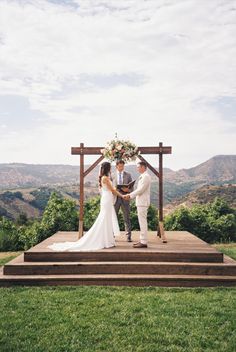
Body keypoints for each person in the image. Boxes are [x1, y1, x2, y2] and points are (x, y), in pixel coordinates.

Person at [47, 162, 125, 251]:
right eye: (110, 167)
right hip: (107, 199)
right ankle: (106, 240)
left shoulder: (104, 178)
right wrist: (123, 196)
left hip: (107, 198)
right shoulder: (105, 178)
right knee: (105, 219)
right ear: (107, 168)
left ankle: (107, 240)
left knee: (106, 219)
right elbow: (113, 190)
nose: (111, 169)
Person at [124, 161, 151, 248]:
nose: (137, 168)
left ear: (143, 167)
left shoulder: (146, 177)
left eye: (138, 167)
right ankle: (142, 240)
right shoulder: (143, 176)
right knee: (141, 221)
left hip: (143, 202)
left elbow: (141, 190)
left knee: (142, 222)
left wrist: (129, 195)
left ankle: (143, 242)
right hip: (141, 202)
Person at [112, 160, 133, 242]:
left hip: (125, 199)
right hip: (116, 199)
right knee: (114, 217)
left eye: (123, 166)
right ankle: (112, 235)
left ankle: (128, 236)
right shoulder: (112, 175)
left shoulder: (128, 175)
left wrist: (128, 190)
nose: (121, 168)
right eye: (120, 166)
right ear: (116, 166)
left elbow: (131, 187)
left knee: (127, 218)